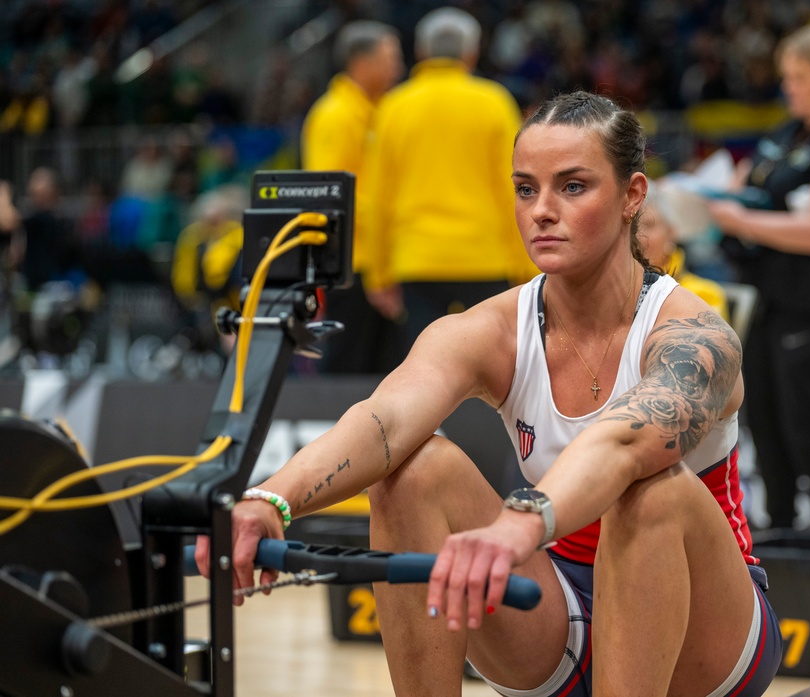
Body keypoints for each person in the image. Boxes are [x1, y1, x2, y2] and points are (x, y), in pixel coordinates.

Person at [197, 91, 780, 696]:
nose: (542, 211)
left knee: (651, 491)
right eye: (526, 189)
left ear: (633, 196)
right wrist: (272, 500)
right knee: (411, 470)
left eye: (573, 187)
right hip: (560, 613)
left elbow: (623, 444)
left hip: (706, 638)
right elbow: (383, 422)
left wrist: (521, 522)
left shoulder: (696, 334)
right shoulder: (493, 329)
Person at [706, 21, 810, 530]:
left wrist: (743, 219)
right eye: (787, 76)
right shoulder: (785, 133)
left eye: (800, 77)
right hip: (766, 300)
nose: (789, 87)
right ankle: (776, 543)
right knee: (767, 428)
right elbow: (751, 188)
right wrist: (727, 199)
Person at [361, 7, 538, 350]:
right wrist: (525, 266)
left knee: (425, 373)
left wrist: (378, 274)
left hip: (416, 261)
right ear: (472, 52)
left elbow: (377, 197)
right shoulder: (495, 103)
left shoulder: (392, 108)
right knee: (495, 375)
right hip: (485, 259)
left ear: (422, 52)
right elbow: (516, 189)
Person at [299, 20, 405, 374]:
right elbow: (329, 191)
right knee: (349, 364)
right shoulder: (335, 115)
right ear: (361, 62)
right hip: (352, 261)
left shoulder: (377, 112)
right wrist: (386, 217)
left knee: (382, 364)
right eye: (391, 57)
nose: (398, 67)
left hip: (377, 257)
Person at [638, 181, 729, 321]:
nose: (638, 236)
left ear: (671, 232)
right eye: (630, 227)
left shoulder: (702, 296)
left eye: (648, 225)